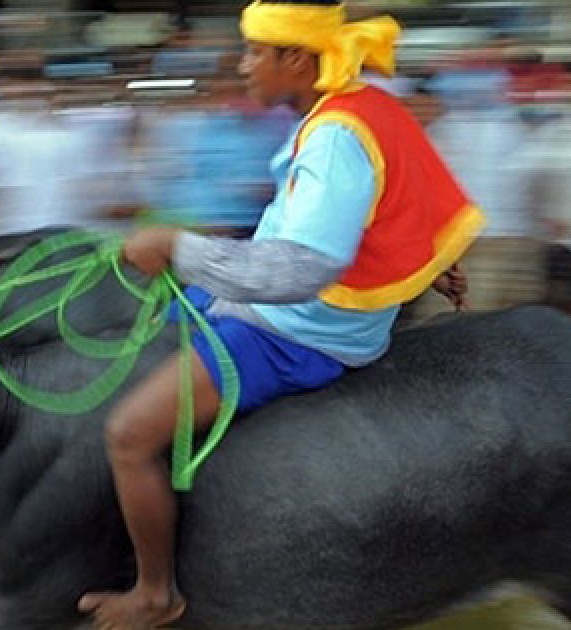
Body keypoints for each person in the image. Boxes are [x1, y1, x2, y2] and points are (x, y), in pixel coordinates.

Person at [76, 1, 484, 628]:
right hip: (302, 310)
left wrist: (177, 249)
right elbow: (409, 200)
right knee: (152, 338)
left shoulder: (334, 136)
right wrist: (433, 267)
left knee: (127, 436)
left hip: (298, 333)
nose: (242, 67)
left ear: (295, 60)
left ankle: (156, 595)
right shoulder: (364, 106)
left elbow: (301, 269)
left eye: (252, 53)